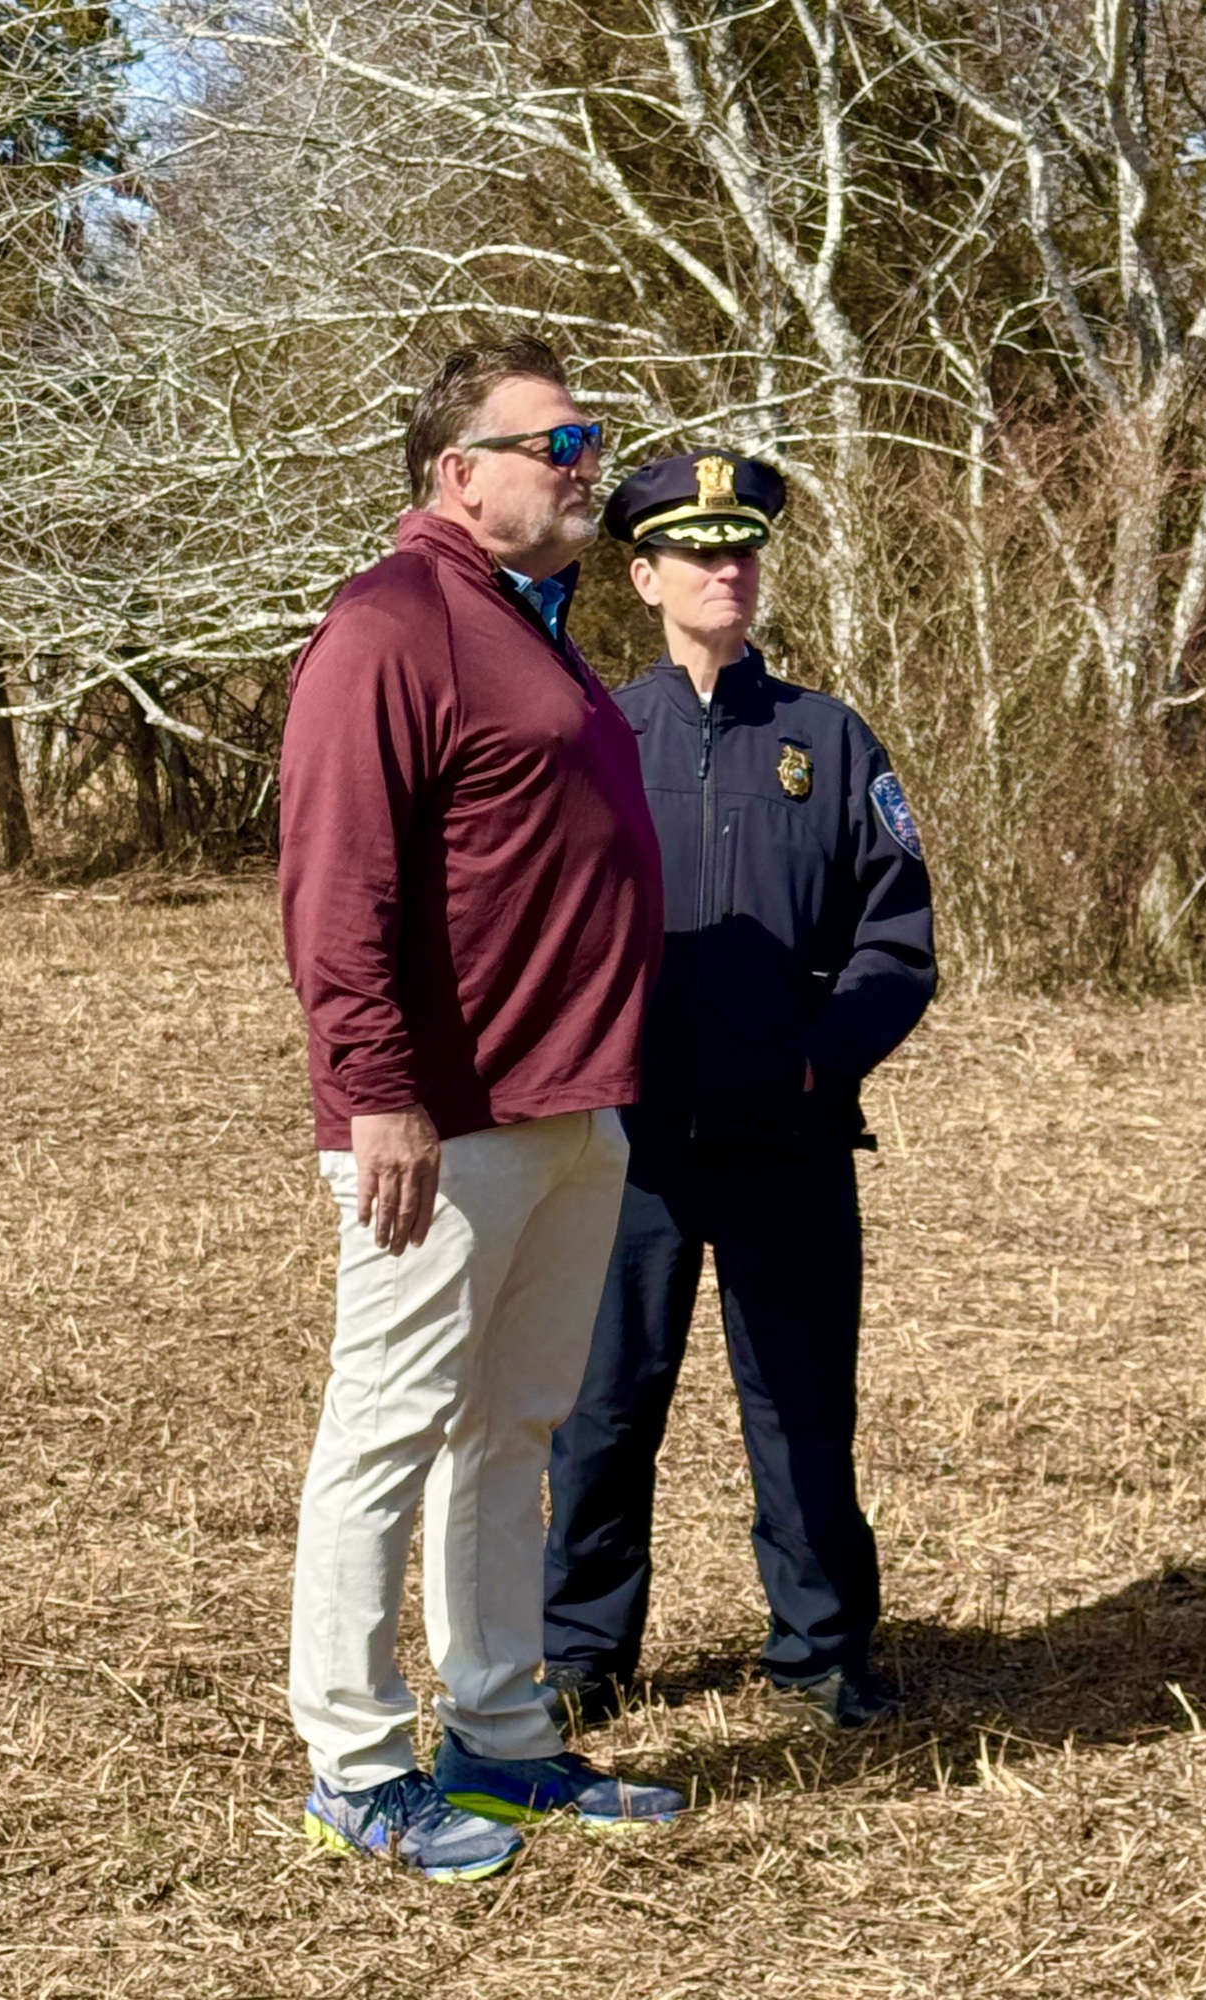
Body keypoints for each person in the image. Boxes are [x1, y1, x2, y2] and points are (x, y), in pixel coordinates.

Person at [277, 336, 684, 1884]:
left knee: (510, 1432)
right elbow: (336, 882)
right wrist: (378, 1093)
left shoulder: (525, 619)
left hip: (572, 1104)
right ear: (462, 474)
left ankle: (502, 1741)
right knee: (385, 1432)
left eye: (589, 436)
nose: (586, 461)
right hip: (446, 1124)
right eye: (555, 441)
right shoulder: (395, 623)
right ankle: (355, 1760)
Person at [542, 449, 937, 1732]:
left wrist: (823, 1055)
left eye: (744, 549)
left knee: (804, 1406)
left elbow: (897, 940)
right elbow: (545, 925)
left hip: (791, 1140)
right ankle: (580, 1655)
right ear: (644, 574)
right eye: (700, 551)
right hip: (629, 1149)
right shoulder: (596, 735)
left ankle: (823, 1651)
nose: (729, 570)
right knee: (601, 1410)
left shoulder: (826, 738)